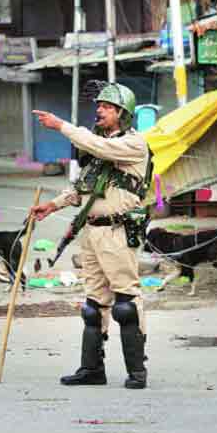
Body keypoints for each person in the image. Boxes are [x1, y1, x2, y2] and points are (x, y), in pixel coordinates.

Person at [30, 82, 150, 389]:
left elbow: (100, 148)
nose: (99, 111)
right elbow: (83, 187)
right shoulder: (97, 144)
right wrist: (52, 206)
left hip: (117, 231)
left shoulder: (134, 145)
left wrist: (60, 126)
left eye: (107, 107)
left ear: (123, 114)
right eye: (99, 106)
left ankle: (137, 372)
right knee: (93, 305)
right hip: (91, 232)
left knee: (125, 302)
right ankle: (92, 369)